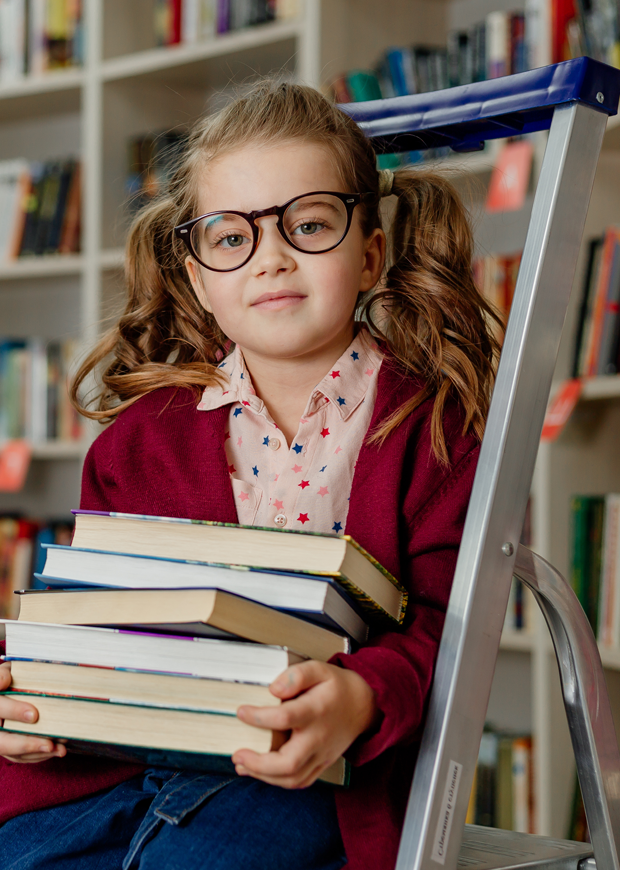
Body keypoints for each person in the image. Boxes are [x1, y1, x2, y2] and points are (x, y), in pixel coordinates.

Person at [0, 81, 501, 870]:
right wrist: (34, 698)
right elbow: (87, 623)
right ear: (199, 275)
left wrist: (362, 697)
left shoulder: (431, 432)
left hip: (307, 777)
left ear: (369, 253)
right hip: (121, 765)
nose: (270, 256)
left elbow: (446, 633)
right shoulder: (134, 446)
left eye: (307, 225)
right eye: (231, 237)